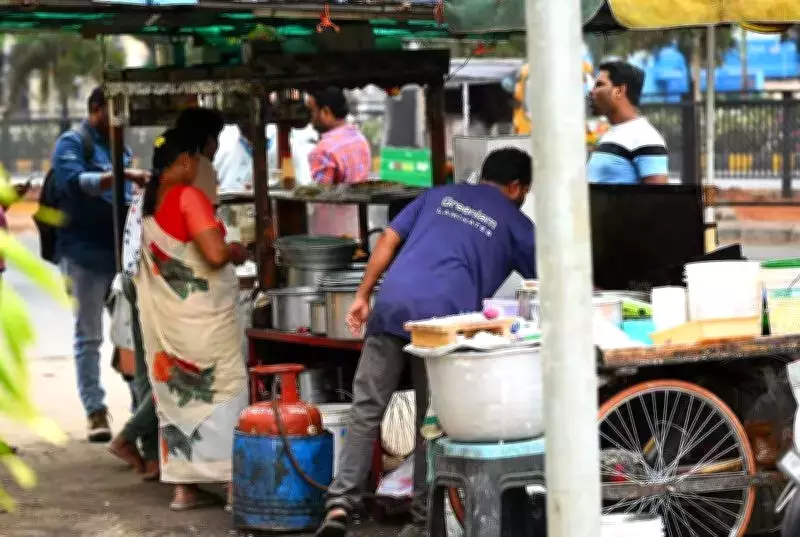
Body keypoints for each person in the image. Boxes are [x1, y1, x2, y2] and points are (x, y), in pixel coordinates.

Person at [315, 148, 537, 537]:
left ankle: (339, 506)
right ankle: (420, 521)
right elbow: (550, 280)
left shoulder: (438, 196)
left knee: (366, 408)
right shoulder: (516, 223)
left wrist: (363, 294)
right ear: (518, 186)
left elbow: (388, 238)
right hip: (442, 322)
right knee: (429, 424)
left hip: (393, 303)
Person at [134, 128, 249, 510]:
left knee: (177, 400)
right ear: (184, 161)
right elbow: (214, 255)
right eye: (198, 160)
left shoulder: (144, 203)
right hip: (204, 322)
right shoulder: (187, 197)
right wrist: (236, 249)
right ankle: (233, 483)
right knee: (224, 389)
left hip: (168, 326)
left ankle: (184, 488)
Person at [51, 87, 148, 442]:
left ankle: (139, 411)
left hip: (119, 257)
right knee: (88, 337)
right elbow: (76, 183)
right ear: (96, 110)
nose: (119, 118)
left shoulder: (117, 145)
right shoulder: (72, 143)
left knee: (128, 335)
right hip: (82, 256)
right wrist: (123, 175)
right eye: (113, 110)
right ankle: (95, 411)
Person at [587, 61, 669, 185]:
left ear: (619, 91)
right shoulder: (611, 133)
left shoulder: (645, 137)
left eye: (599, 85)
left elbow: (657, 199)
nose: (592, 91)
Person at [307, 87, 372, 239]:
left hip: (330, 233)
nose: (311, 118)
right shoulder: (359, 139)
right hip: (356, 226)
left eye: (312, 112)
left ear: (326, 112)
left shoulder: (324, 150)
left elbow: (320, 194)